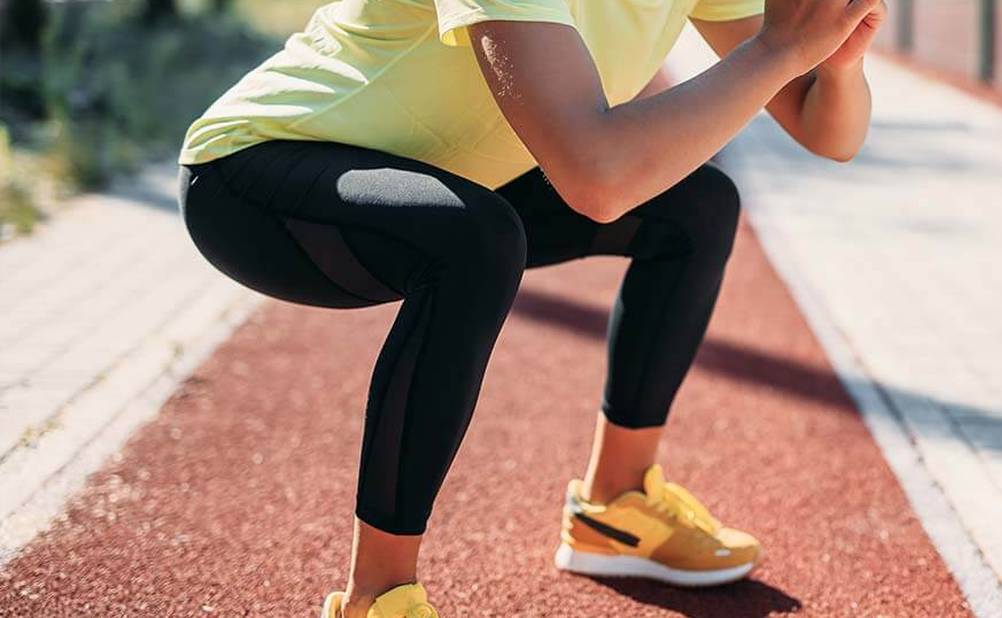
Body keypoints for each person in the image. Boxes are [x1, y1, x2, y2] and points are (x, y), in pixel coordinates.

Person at [177, 0, 885, 615]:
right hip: (256, 173)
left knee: (696, 209)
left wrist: (838, 56)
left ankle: (615, 505)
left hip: (449, 181)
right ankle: (378, 599)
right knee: (475, 240)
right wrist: (778, 48)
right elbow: (597, 177)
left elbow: (832, 133)